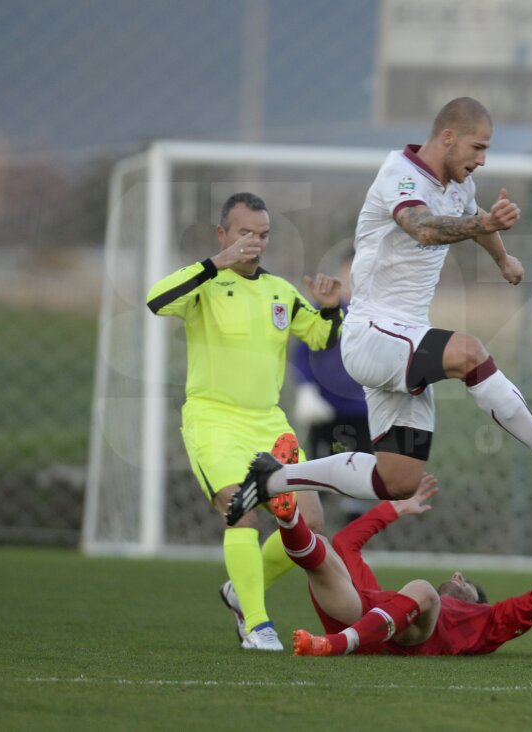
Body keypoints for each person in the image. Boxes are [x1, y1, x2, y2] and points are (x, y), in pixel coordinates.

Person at [225, 97, 532, 525]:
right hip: (372, 332)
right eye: (478, 147)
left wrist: (502, 259)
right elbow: (422, 227)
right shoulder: (400, 174)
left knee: (398, 480)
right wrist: (483, 227)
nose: (483, 160)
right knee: (469, 353)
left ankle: (273, 479)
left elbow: (474, 215)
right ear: (448, 137)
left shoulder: (459, 186)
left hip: (403, 340)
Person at [146, 192, 343, 651]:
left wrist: (331, 308)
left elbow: (320, 337)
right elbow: (157, 301)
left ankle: (240, 592)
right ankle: (257, 625)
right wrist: (217, 262)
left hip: (268, 422)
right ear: (223, 234)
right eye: (244, 233)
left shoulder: (280, 292)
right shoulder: (205, 284)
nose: (254, 241)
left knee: (310, 521)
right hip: (213, 418)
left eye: (262, 234)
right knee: (240, 509)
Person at [257, 463, 532, 657]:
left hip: (394, 636)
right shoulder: (384, 599)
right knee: (324, 548)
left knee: (423, 588)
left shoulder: (486, 621)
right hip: (361, 617)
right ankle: (287, 516)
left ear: (476, 604)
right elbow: (347, 544)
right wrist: (395, 508)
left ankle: (335, 644)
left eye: (469, 587)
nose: (458, 577)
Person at [291, 252, 371, 522]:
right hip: (326, 410)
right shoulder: (327, 312)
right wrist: (307, 390)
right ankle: (311, 531)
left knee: (359, 476)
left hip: (364, 411)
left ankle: (352, 538)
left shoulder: (379, 316)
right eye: (350, 277)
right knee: (319, 469)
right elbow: (301, 355)